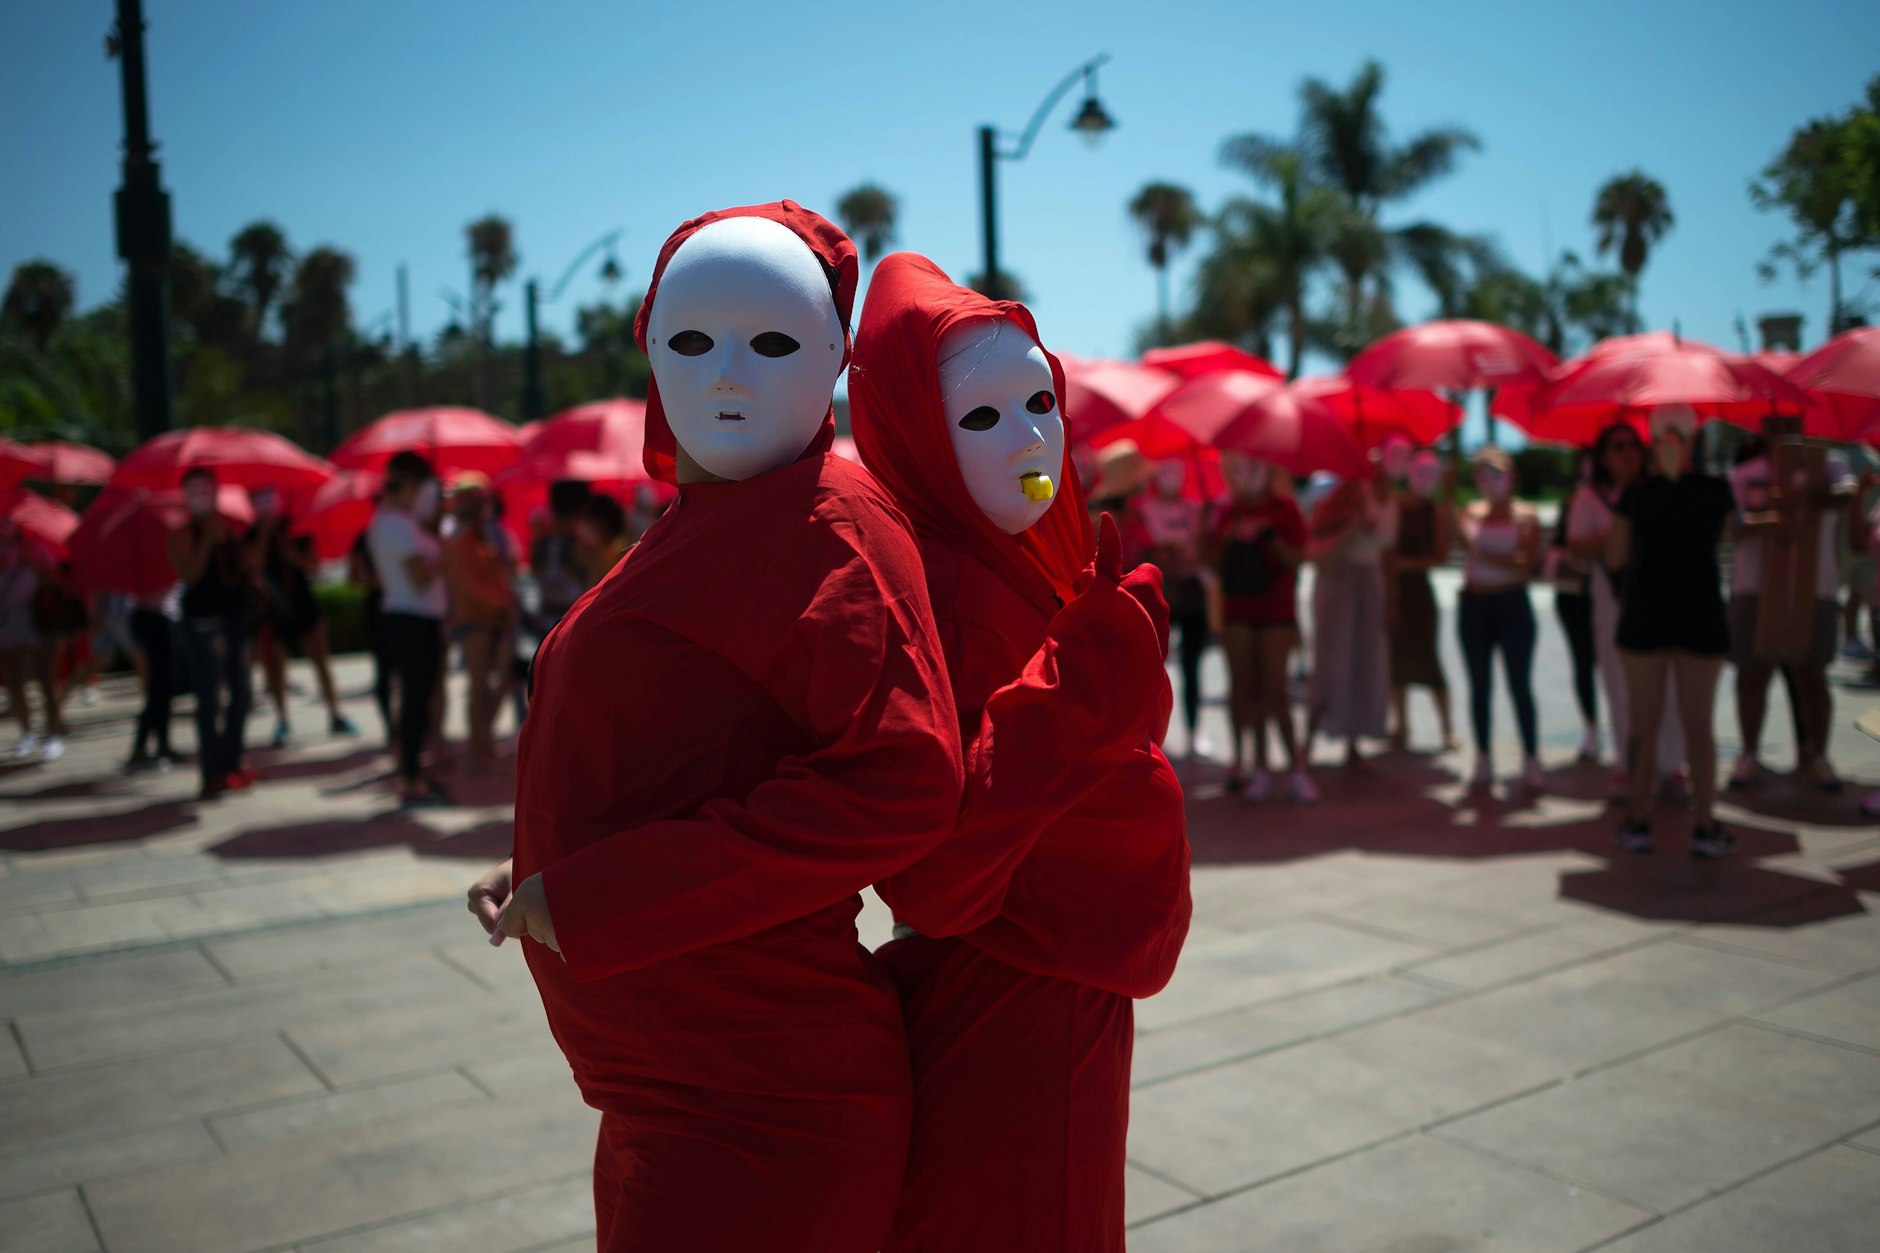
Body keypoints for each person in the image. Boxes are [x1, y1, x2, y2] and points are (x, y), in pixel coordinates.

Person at [471, 202, 962, 1251]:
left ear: (830, 355)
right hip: (678, 1090)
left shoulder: (829, 525)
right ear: (649, 342)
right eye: (692, 341)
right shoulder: (715, 515)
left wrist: (599, 892)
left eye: (772, 341)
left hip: (761, 1101)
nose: (729, 375)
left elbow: (903, 778)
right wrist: (539, 866)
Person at [851, 253, 1191, 1253]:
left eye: (1038, 401)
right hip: (1005, 1002)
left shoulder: (1008, 564)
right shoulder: (929, 601)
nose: (1029, 438)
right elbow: (937, 870)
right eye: (981, 416)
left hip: (1053, 988)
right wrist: (1087, 669)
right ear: (913, 431)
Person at [1607, 406, 1735, 857]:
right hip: (1700, 611)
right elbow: (1719, 540)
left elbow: (1617, 556)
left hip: (1645, 611)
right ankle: (1704, 824)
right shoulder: (1717, 490)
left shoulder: (1637, 495)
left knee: (1644, 722)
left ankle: (1640, 820)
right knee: (1699, 725)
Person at [1565, 422, 1685, 797]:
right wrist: (1621, 532)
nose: (1628, 451)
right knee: (1618, 686)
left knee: (1666, 685)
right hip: (1612, 606)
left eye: (1634, 444)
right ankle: (1626, 765)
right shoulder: (1588, 498)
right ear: (1602, 455)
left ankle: (1671, 766)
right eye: (1618, 446)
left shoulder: (1660, 489)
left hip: (1659, 603)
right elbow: (1576, 547)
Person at [1727, 438, 1847, 791]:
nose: (1785, 430)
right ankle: (1749, 753)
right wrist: (1771, 519)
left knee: (1812, 674)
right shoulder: (1746, 474)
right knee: (1753, 672)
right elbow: (1731, 525)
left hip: (1814, 588)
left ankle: (1817, 755)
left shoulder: (1830, 466)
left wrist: (1810, 497)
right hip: (1755, 588)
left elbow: (1845, 493)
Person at [1208, 452, 1312, 800]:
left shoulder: (1286, 510)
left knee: (1274, 690)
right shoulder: (1225, 511)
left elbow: (1299, 559)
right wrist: (1230, 536)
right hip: (1238, 608)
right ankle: (1253, 763)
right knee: (1243, 688)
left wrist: (1269, 538)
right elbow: (1211, 563)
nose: (1248, 472)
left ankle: (1296, 768)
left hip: (1277, 610)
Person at [1456, 448, 1544, 789]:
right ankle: (1482, 756)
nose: (1488, 480)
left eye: (1495, 472)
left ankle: (1532, 758)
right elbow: (1460, 543)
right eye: (1481, 474)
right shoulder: (1471, 511)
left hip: (1511, 605)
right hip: (1474, 605)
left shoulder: (1526, 515)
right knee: (1480, 686)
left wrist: (1483, 555)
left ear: (1510, 475)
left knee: (1519, 684)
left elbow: (1524, 564)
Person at [365, 451, 449, 808]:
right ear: (411, 486)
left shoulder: (391, 522)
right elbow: (418, 580)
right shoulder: (397, 525)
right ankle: (412, 778)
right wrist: (444, 553)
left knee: (414, 699)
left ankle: (414, 772)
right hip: (412, 618)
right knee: (415, 701)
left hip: (409, 617)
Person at [167, 467, 254, 798]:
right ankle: (211, 771)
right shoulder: (181, 534)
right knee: (209, 696)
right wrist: (206, 539)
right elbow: (189, 575)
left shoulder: (230, 531)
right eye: (195, 491)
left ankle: (231, 761)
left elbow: (243, 571)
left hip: (233, 618)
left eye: (207, 490)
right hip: (201, 621)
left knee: (242, 692)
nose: (202, 497)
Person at [250, 486, 358, 747]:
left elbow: (314, 564)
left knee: (321, 661)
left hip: (303, 603)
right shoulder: (252, 534)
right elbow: (252, 565)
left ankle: (335, 713)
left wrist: (293, 555)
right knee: (276, 666)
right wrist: (264, 534)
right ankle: (282, 719)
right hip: (273, 609)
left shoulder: (296, 528)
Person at [1306, 463, 1396, 764]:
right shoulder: (1341, 493)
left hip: (1367, 585)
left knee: (1362, 661)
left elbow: (1386, 549)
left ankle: (1353, 740)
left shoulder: (1383, 497)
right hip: (1337, 586)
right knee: (1330, 661)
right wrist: (1352, 526)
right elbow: (1319, 543)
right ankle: (1309, 738)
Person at [1127, 459, 1210, 761]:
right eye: (1164, 470)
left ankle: (1193, 731)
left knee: (1192, 665)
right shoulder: (1143, 510)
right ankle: (1149, 734)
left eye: (1176, 470)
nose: (1170, 477)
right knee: (1152, 666)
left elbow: (1203, 551)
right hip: (1159, 595)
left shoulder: (1194, 509)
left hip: (1191, 595)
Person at [441, 473, 513, 773]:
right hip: (476, 622)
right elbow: (468, 587)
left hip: (490, 620)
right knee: (479, 685)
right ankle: (477, 747)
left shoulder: (481, 538)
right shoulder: (460, 542)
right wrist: (498, 606)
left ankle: (484, 741)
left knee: (495, 683)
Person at [1390, 449, 1456, 752]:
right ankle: (1401, 725)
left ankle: (1447, 730)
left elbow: (1442, 555)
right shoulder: (1396, 508)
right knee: (1396, 660)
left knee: (1429, 658)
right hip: (1395, 591)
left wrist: (1408, 564)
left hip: (1419, 592)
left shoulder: (1436, 512)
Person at [1550, 452, 1602, 763]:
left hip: (1609, 593)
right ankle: (1592, 727)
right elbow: (1560, 543)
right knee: (1583, 663)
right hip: (1574, 594)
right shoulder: (1573, 500)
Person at [0, 518, 65, 760]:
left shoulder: (36, 547)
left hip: (40, 621)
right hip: (7, 623)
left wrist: (34, 565)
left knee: (47, 680)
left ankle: (53, 735)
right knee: (15, 683)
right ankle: (26, 734)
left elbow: (58, 581)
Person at [346, 523, 395, 744]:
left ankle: (404, 727)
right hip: (379, 607)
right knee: (384, 670)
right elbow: (353, 577)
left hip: (399, 609)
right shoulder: (365, 537)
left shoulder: (409, 529)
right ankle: (391, 728)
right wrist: (376, 580)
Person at [125, 581, 180, 771]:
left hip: (153, 617)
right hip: (155, 618)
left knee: (161, 689)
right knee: (159, 688)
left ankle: (159, 744)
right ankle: (145, 745)